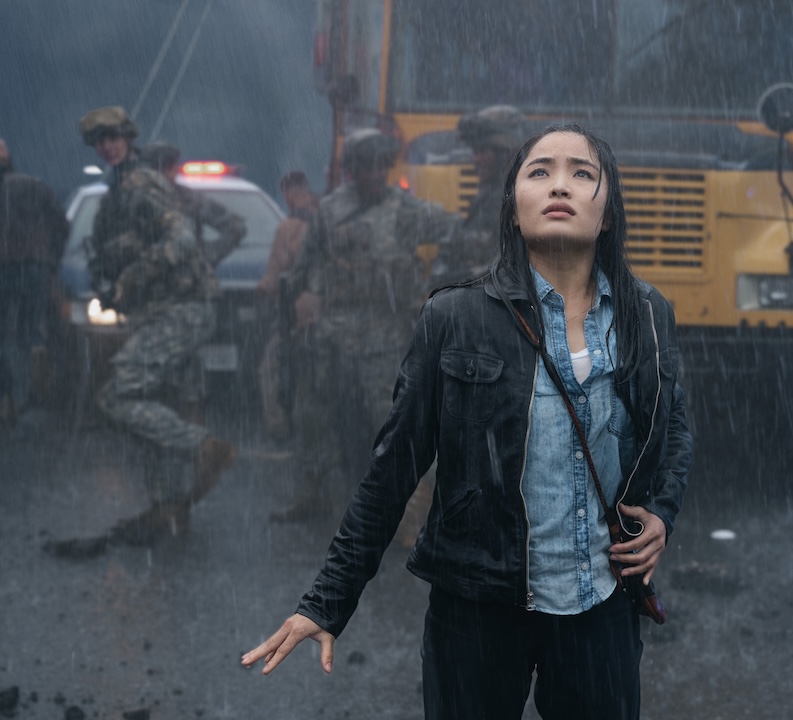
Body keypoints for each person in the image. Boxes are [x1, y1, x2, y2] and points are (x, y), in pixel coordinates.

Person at [242, 124, 693, 720]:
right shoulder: (453, 317)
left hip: (600, 606)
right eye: (539, 172)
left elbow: (675, 427)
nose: (560, 183)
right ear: (512, 207)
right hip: (477, 605)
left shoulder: (648, 314)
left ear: (606, 213)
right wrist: (326, 602)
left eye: (582, 173)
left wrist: (660, 511)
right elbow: (393, 470)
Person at [269, 129, 459, 523]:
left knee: (392, 422)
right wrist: (299, 303)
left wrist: (436, 283)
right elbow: (304, 266)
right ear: (352, 169)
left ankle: (414, 510)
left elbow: (458, 232)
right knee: (314, 414)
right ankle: (315, 491)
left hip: (383, 334)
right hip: (332, 333)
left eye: (379, 165)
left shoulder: (406, 211)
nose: (374, 173)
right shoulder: (330, 211)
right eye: (365, 166)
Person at [78, 106, 237, 543]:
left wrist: (130, 279)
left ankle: (203, 446)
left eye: (114, 137)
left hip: (181, 306)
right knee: (153, 403)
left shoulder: (141, 183)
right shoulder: (118, 192)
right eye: (99, 141)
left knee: (118, 393)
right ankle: (169, 509)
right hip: (163, 308)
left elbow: (181, 237)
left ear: (129, 138)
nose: (107, 146)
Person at [0, 137, 69, 426]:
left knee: (5, 333)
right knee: (32, 333)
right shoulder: (36, 185)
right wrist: (50, 262)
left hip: (4, 269)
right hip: (37, 269)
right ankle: (32, 400)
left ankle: (11, 396)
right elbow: (62, 226)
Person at [255, 170, 319, 442]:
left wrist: (262, 289)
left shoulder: (288, 227)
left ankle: (279, 429)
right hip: (333, 312)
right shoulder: (331, 216)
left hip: (299, 314)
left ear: (289, 195)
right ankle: (316, 432)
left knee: (269, 369)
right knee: (313, 375)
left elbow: (272, 278)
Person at [432, 105, 525, 284]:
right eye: (475, 151)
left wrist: (467, 277)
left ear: (503, 153)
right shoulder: (491, 194)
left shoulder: (513, 199)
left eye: (482, 151)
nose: (476, 159)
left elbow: (511, 264)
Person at [141, 142, 247, 266]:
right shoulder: (133, 196)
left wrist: (208, 254)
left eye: (169, 167)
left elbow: (236, 226)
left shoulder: (190, 199)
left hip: (184, 278)